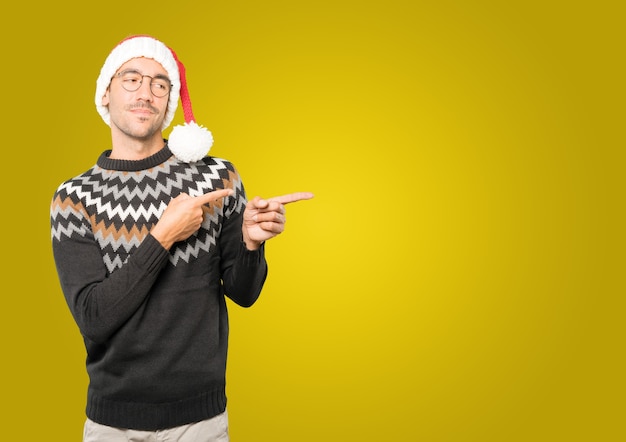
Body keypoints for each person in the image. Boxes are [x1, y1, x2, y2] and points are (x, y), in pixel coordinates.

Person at [50, 35, 313, 441]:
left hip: (200, 420)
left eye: (160, 83)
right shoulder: (73, 198)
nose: (146, 92)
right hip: (112, 424)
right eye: (131, 79)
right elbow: (94, 318)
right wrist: (163, 235)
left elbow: (243, 293)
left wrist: (251, 243)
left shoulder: (216, 177)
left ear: (169, 100)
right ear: (106, 92)